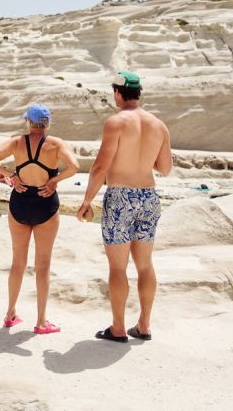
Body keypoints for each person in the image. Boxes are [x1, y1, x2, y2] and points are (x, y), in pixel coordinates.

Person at [76, 71, 172, 343]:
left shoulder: (115, 122)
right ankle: (143, 325)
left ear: (118, 92)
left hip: (120, 197)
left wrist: (87, 201)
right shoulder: (159, 125)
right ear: (138, 92)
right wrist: (143, 158)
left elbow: (100, 166)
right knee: (145, 265)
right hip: (149, 197)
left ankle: (118, 328)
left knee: (118, 267)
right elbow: (165, 168)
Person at [0, 104, 79, 334]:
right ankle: (41, 322)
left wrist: (11, 176)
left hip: (20, 202)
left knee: (18, 263)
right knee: (43, 266)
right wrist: (54, 181)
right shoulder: (55, 144)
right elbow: (74, 167)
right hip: (46, 203)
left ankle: (10, 314)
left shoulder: (17, 142)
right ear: (47, 124)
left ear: (28, 122)